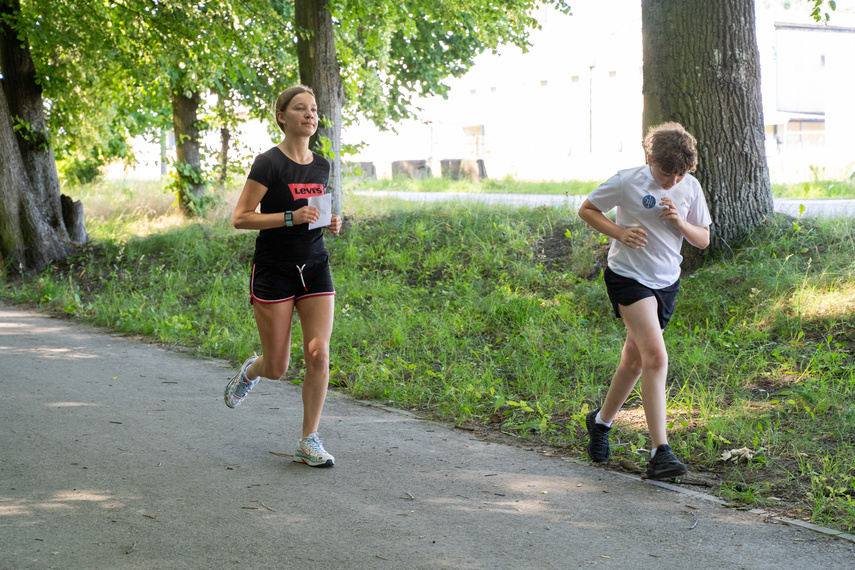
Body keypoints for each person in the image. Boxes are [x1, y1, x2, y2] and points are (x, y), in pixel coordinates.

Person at [577, 122, 711, 480]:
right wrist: (619, 232)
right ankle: (659, 452)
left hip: (667, 282)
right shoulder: (627, 180)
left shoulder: (690, 187)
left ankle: (601, 423)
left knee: (634, 361)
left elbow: (703, 240)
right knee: (655, 355)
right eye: (668, 172)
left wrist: (680, 223)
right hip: (627, 278)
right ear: (649, 158)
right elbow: (587, 209)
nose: (673, 180)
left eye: (681, 173)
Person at [224, 85, 342, 468]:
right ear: (282, 116)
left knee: (319, 353)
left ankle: (309, 440)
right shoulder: (268, 163)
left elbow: (315, 214)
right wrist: (290, 217)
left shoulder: (322, 165)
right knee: (277, 367)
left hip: (315, 267)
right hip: (274, 271)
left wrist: (330, 221)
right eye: (300, 108)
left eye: (314, 109)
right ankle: (251, 370)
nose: (310, 115)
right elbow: (241, 217)